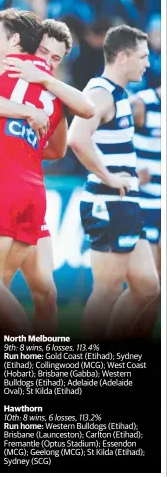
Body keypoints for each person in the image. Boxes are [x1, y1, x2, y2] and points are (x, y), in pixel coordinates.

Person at [0, 19, 96, 336]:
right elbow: (58, 147)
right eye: (44, 52)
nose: (47, 61)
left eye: (55, 59)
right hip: (27, 188)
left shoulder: (9, 66)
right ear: (33, 44)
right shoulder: (50, 92)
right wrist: (24, 130)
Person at [0, 9, 65, 336]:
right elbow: (57, 149)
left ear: (16, 41)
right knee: (1, 289)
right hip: (34, 188)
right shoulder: (55, 90)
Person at [68, 25, 160, 340]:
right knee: (105, 293)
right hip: (107, 203)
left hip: (125, 202)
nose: (148, 63)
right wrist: (108, 175)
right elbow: (77, 138)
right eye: (143, 56)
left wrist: (131, 174)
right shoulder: (100, 93)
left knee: (149, 287)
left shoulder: (120, 94)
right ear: (122, 57)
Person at [129, 84, 161, 337]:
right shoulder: (143, 103)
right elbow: (102, 132)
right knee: (146, 285)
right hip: (145, 204)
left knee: (158, 287)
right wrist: (128, 174)